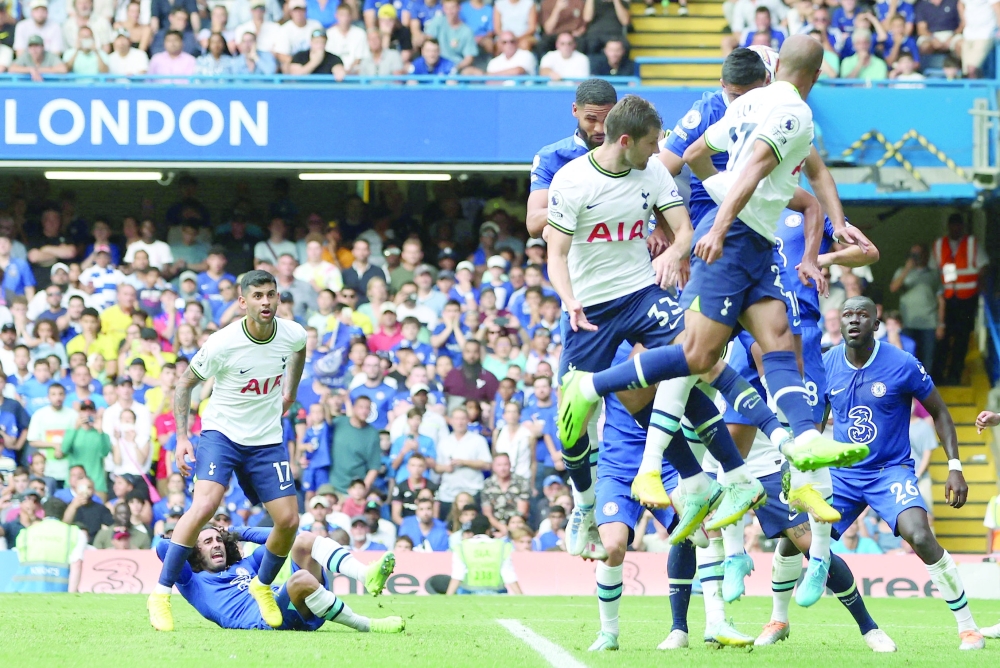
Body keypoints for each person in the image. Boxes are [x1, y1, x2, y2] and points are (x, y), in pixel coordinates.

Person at [558, 39, 873, 539]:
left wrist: (821, 236)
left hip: (757, 242)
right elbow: (727, 164)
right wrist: (721, 219)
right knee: (697, 356)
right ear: (816, 74)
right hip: (727, 244)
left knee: (777, 340)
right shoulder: (791, 111)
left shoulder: (749, 106)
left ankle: (803, 443)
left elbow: (715, 157)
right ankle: (596, 391)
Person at [148, 270, 307, 633]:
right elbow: (185, 384)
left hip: (266, 438)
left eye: (271, 295)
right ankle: (160, 594)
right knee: (204, 507)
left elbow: (299, 351)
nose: (265, 302)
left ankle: (262, 585)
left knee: (288, 521)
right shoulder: (223, 342)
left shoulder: (293, 333)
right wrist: (183, 438)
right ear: (243, 302)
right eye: (257, 296)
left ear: (278, 297)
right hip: (222, 434)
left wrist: (290, 392)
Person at [824, 296, 984, 650]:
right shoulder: (827, 364)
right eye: (847, 314)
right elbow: (815, 421)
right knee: (797, 537)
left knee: (920, 536)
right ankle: (781, 619)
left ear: (876, 325)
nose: (853, 321)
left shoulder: (902, 364)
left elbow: (940, 412)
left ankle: (968, 627)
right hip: (843, 475)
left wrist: (954, 467)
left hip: (889, 471)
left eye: (862, 315)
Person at [155, 525, 404, 632]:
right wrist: (189, 535)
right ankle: (367, 624)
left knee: (302, 540)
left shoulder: (243, 565)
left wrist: (238, 532)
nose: (217, 544)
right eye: (207, 542)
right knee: (300, 580)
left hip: (294, 603)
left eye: (219, 539)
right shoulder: (192, 581)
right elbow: (163, 548)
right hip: (271, 619)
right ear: (192, 550)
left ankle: (365, 575)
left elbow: (285, 536)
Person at [526, 78, 618, 237]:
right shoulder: (551, 157)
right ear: (575, 110)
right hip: (574, 256)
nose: (600, 129)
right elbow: (533, 223)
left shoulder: (632, 154)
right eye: (591, 119)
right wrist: (582, 205)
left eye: (607, 119)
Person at [931, 214, 987, 385]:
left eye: (958, 226)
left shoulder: (972, 243)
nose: (956, 229)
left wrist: (980, 288)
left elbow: (984, 266)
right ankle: (938, 376)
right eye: (953, 225)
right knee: (943, 339)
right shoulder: (939, 245)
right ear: (949, 226)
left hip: (967, 299)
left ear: (962, 227)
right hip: (946, 300)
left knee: (962, 339)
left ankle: (954, 376)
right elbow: (934, 271)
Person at [8, 497, 86, 593]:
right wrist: (72, 594)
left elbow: (21, 561)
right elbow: (77, 564)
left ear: (43, 513)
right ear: (64, 513)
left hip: (25, 589)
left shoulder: (25, 533)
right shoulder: (74, 533)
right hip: (59, 589)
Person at [445, 514, 521, 594]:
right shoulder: (502, 546)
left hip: (468, 594)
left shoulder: (461, 547)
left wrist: (448, 597)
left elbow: (458, 574)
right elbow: (508, 574)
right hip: (497, 593)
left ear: (472, 531)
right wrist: (521, 596)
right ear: (488, 530)